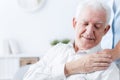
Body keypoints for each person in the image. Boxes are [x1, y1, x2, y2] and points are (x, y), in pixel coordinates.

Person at [23, 0, 119, 80]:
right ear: (74, 23)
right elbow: (29, 77)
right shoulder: (57, 50)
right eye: (85, 23)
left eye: (97, 26)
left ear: (105, 30)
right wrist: (70, 67)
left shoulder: (107, 68)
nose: (89, 31)